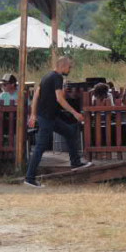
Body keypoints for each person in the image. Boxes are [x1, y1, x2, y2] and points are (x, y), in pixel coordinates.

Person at [25, 56, 92, 188]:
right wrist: (75, 113)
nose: (70, 69)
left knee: (70, 132)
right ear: (62, 66)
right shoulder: (57, 77)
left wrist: (33, 114)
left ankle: (75, 162)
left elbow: (36, 96)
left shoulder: (46, 77)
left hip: (50, 117)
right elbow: (59, 99)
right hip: (47, 118)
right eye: (69, 66)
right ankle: (29, 178)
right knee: (40, 147)